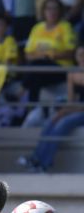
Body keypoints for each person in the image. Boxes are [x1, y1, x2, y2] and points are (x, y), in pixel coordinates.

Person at [18, 44, 84, 172]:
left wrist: (66, 112)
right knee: (51, 121)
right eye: (79, 55)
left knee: (63, 123)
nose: (82, 58)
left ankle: (44, 164)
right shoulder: (72, 74)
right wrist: (64, 111)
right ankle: (36, 158)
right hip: (77, 109)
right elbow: (71, 101)